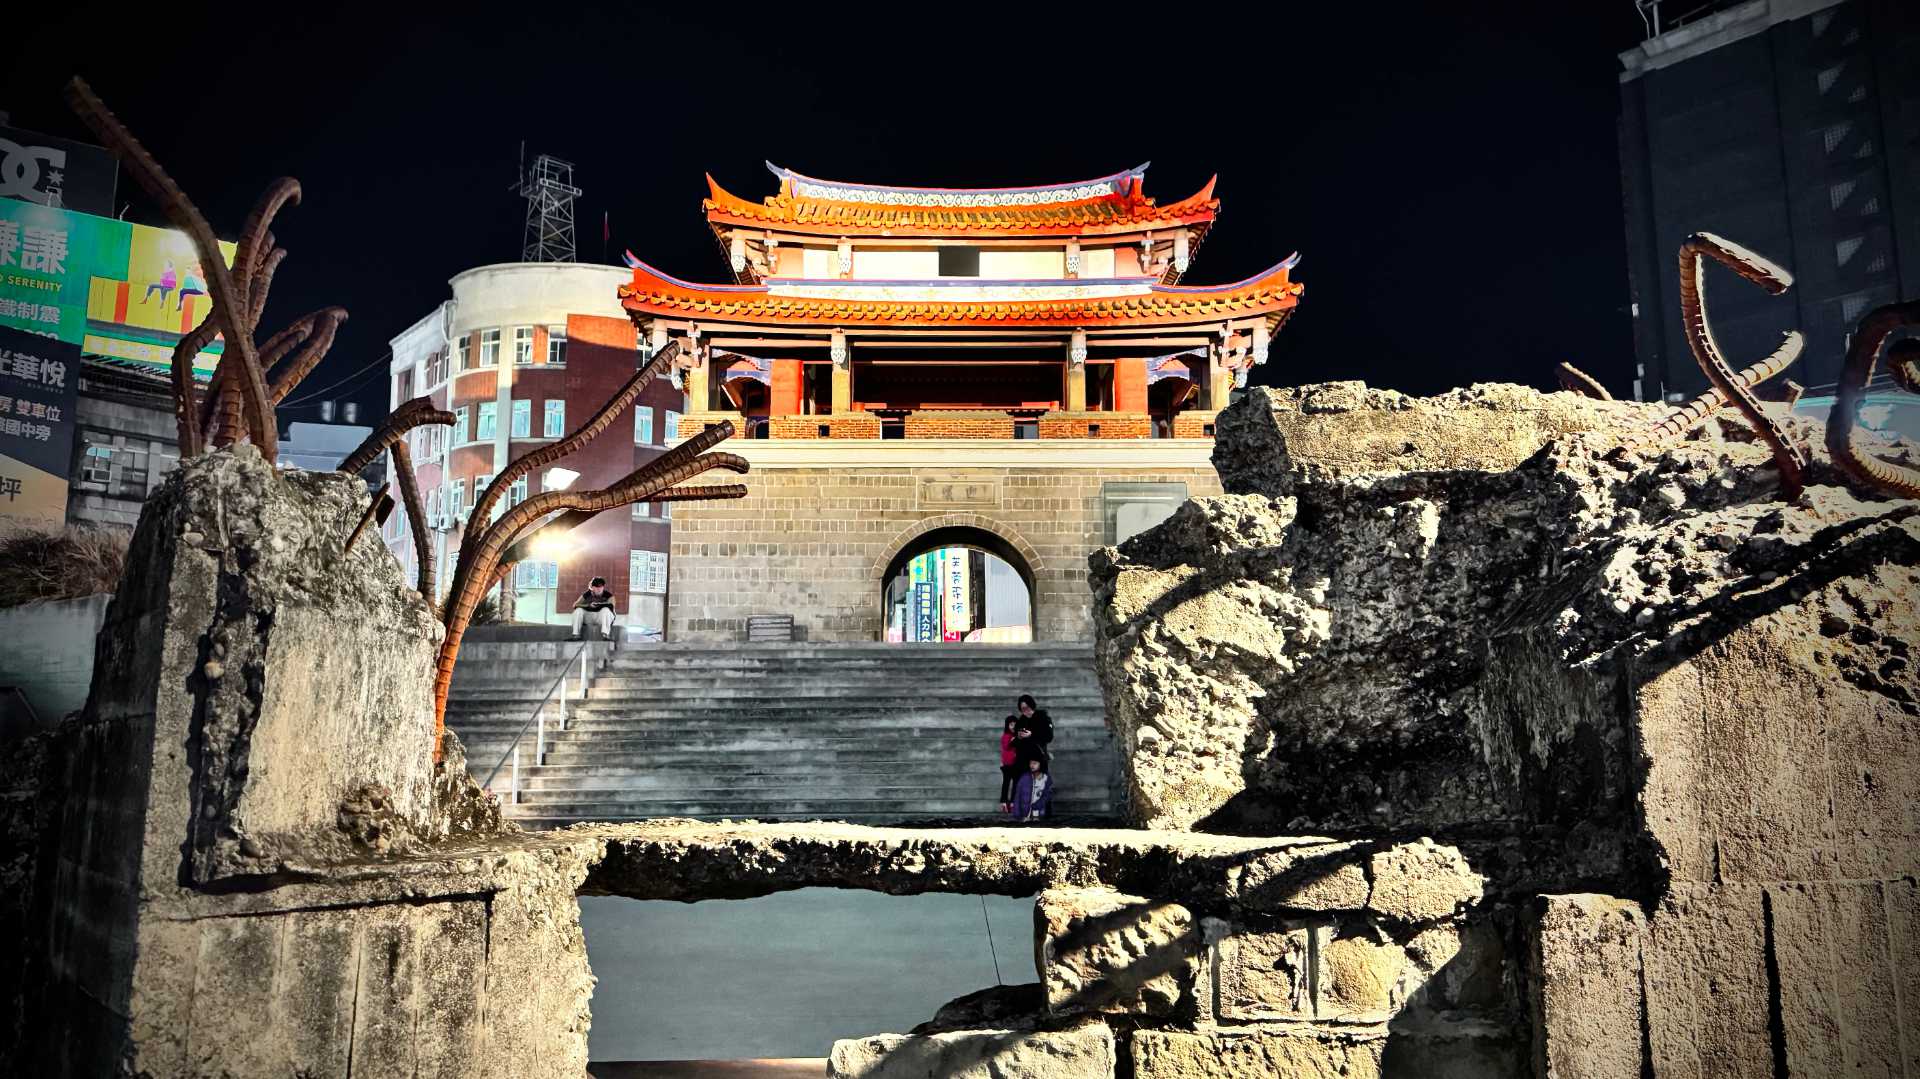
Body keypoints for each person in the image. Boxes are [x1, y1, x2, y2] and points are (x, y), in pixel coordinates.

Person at [1012, 694, 1053, 774]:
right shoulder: (1020, 721)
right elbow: (1014, 742)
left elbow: (1049, 736)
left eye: (1027, 707)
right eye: (1023, 709)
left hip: (1038, 759)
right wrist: (1019, 737)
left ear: (1032, 706)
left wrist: (1032, 734)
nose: (1026, 711)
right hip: (1023, 760)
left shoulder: (1043, 718)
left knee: (1040, 784)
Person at [1011, 756, 1054, 822]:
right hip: (1025, 814)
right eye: (1030, 763)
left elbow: (1048, 794)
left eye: (1035, 763)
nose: (1032, 765)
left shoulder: (1046, 778)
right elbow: (1017, 795)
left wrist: (1039, 804)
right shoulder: (1024, 778)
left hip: (1040, 813)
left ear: (1041, 764)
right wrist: (1017, 813)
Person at [997, 716, 1020, 814]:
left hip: (1016, 763)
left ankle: (1013, 803)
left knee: (1015, 783)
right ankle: (1003, 802)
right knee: (1006, 783)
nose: (1013, 727)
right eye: (1011, 725)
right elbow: (1006, 747)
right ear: (1008, 725)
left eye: (1015, 725)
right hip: (1007, 764)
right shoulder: (1006, 736)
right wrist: (1013, 739)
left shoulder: (1019, 736)